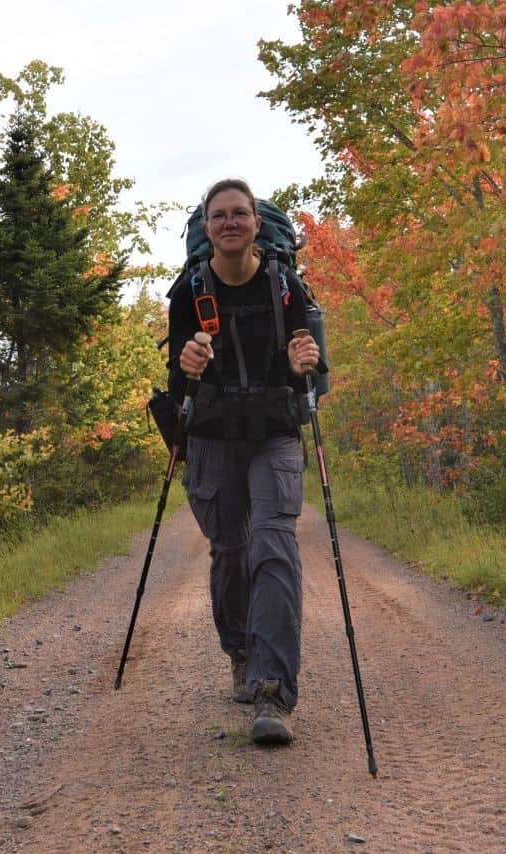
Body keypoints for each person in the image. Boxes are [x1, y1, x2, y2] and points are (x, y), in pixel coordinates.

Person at [167, 178, 320, 746]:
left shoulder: (286, 287)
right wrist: (187, 363)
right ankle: (240, 650)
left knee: (273, 543)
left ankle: (273, 689)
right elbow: (177, 385)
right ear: (207, 230)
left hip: (274, 433)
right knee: (230, 550)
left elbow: (310, 372)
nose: (230, 223)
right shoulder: (189, 292)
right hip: (212, 434)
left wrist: (305, 363)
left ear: (256, 224)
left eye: (240, 214)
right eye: (219, 216)